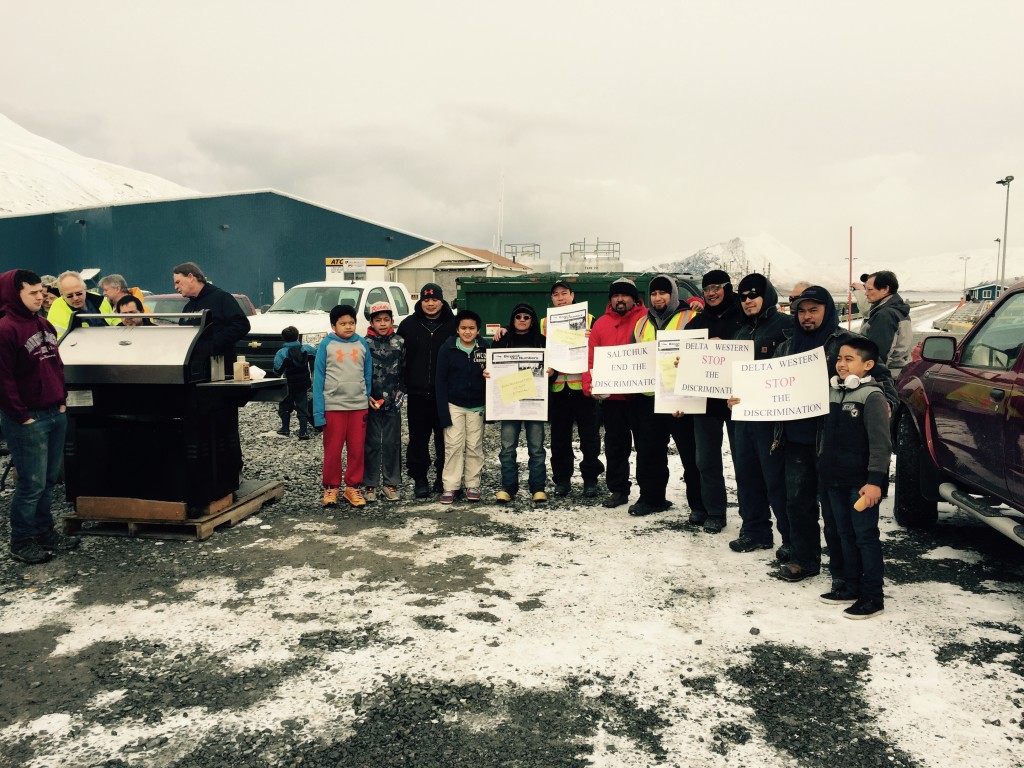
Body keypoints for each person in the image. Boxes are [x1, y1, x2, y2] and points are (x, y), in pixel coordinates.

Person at [770, 285, 898, 585]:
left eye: (814, 310)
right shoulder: (786, 347)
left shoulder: (847, 344)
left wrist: (887, 403)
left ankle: (843, 571)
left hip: (833, 442)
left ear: (827, 310)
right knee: (797, 504)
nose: (807, 316)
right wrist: (744, 399)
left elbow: (882, 379)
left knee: (834, 511)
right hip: (795, 439)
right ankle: (804, 559)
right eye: (802, 311)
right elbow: (767, 383)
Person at [0, 269, 79, 564]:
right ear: (14, 294)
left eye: (40, 292)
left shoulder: (44, 324)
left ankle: (45, 532)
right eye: (32, 293)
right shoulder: (5, 329)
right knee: (31, 484)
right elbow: (3, 380)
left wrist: (62, 400)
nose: (39, 297)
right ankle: (21, 541)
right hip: (28, 419)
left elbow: (56, 364)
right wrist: (21, 416)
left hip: (54, 412)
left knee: (48, 481)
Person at [817, 337, 891, 619]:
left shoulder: (872, 397)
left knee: (865, 537)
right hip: (834, 479)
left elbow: (881, 445)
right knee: (843, 534)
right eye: (839, 358)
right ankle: (850, 586)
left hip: (861, 485)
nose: (841, 364)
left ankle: (873, 597)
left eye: (849, 359)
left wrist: (874, 482)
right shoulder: (833, 392)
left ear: (868, 365)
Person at [726, 274, 792, 560]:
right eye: (742, 296)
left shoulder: (787, 326)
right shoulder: (741, 332)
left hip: (773, 420)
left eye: (753, 294)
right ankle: (755, 531)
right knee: (747, 476)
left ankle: (790, 538)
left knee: (777, 480)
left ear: (768, 296)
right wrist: (728, 393)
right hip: (743, 418)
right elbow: (730, 374)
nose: (748, 300)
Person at [628, 274, 704, 518]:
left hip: (683, 399)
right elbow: (634, 357)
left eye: (663, 292)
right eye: (653, 293)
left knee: (691, 455)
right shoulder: (641, 323)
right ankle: (652, 498)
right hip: (649, 398)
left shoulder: (692, 317)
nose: (658, 298)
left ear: (673, 294)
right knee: (648, 452)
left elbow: (702, 355)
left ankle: (699, 505)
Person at [684, 269, 745, 533]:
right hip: (705, 401)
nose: (711, 293)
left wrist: (726, 345)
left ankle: (752, 517)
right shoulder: (696, 324)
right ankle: (715, 511)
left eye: (716, 287)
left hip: (738, 401)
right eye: (706, 289)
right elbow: (682, 356)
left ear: (728, 288)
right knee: (706, 459)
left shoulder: (744, 318)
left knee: (744, 460)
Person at [582, 277, 648, 508]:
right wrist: (590, 385)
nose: (620, 299)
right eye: (615, 295)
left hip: (641, 397)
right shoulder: (601, 324)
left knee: (646, 446)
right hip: (613, 399)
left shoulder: (646, 319)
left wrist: (695, 302)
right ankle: (618, 490)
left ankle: (649, 492)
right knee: (615, 447)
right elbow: (590, 357)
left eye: (625, 295)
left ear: (634, 298)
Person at [397, 283, 458, 498]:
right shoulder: (408, 325)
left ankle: (443, 477)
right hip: (417, 394)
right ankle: (420, 478)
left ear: (442, 301)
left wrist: (502, 331)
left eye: (434, 299)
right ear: (421, 301)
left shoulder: (454, 325)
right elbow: (398, 357)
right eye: (426, 300)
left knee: (445, 438)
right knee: (418, 439)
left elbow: (474, 340)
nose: (430, 304)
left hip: (445, 395)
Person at [543, 280, 604, 498]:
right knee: (559, 439)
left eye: (564, 293)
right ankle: (562, 480)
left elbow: (601, 347)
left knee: (590, 438)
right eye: (555, 294)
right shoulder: (544, 323)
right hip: (558, 390)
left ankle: (590, 480)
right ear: (552, 298)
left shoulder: (590, 319)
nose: (560, 298)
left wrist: (591, 337)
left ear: (572, 295)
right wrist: (503, 330)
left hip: (583, 389)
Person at [313, 304, 372, 508]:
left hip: (358, 407)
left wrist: (365, 398)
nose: (348, 327)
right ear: (333, 326)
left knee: (357, 449)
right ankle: (331, 487)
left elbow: (367, 375)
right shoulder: (326, 345)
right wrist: (318, 412)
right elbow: (318, 379)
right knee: (333, 449)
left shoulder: (362, 344)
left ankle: (353, 487)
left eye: (351, 323)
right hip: (333, 407)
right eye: (343, 323)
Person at [490, 302, 548, 504]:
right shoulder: (502, 340)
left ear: (532, 320)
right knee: (507, 448)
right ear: (512, 319)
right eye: (518, 317)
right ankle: (508, 487)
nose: (522, 320)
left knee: (537, 448)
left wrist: (551, 371)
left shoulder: (542, 341)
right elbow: (492, 366)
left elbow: (552, 366)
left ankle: (538, 488)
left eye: (526, 317)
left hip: (534, 404)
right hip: (509, 403)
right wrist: (488, 372)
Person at [435, 310, 488, 505]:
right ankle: (450, 485)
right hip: (454, 405)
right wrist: (443, 412)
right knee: (453, 445)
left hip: (477, 405)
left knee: (474, 445)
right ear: (457, 329)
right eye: (463, 328)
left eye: (471, 328)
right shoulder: (447, 348)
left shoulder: (485, 348)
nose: (467, 332)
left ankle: (473, 484)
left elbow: (495, 373)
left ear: (478, 330)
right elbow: (440, 381)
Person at [363, 302, 406, 503]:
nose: (382, 323)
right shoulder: (364, 343)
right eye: (378, 320)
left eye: (386, 320)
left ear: (392, 321)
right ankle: (369, 484)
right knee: (371, 443)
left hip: (393, 401)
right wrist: (365, 395)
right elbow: (359, 372)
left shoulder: (400, 342)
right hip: (370, 400)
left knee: (391, 442)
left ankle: (390, 484)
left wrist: (401, 392)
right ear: (371, 322)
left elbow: (405, 369)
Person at [173, 262, 251, 369]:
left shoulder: (221, 298)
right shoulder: (188, 307)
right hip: (195, 369)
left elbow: (242, 325)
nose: (176, 287)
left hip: (221, 367)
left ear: (191, 277)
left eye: (178, 282)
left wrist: (213, 344)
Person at [860, 270, 912, 376]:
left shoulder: (885, 315)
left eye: (870, 289)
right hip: (899, 372)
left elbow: (879, 354)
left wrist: (870, 377)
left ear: (885, 289)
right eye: (865, 289)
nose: (866, 293)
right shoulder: (899, 310)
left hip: (886, 376)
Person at [273, 326, 316, 440]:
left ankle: (285, 429)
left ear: (283, 338)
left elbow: (277, 371)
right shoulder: (306, 349)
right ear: (297, 336)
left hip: (288, 385)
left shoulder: (282, 353)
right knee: (303, 407)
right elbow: (317, 356)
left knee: (285, 406)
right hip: (303, 384)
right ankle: (303, 432)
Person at [47, 271, 113, 337]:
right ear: (62, 295)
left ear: (85, 289)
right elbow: (59, 339)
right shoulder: (57, 309)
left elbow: (116, 323)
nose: (75, 298)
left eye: (79, 293)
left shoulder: (99, 299)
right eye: (70, 296)